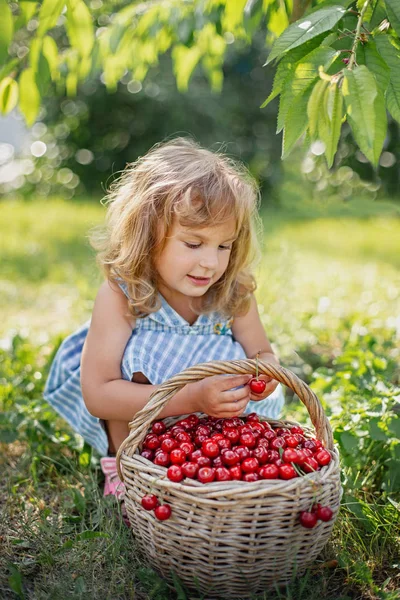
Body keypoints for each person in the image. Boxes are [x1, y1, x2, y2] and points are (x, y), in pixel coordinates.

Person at [44, 137, 284, 508]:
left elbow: (263, 352)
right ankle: (125, 469)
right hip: (141, 428)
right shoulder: (123, 295)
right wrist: (188, 396)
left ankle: (211, 472)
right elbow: (99, 393)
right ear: (147, 234)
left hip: (211, 437)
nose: (210, 263)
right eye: (193, 244)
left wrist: (266, 373)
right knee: (137, 358)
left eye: (223, 246)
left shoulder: (233, 294)